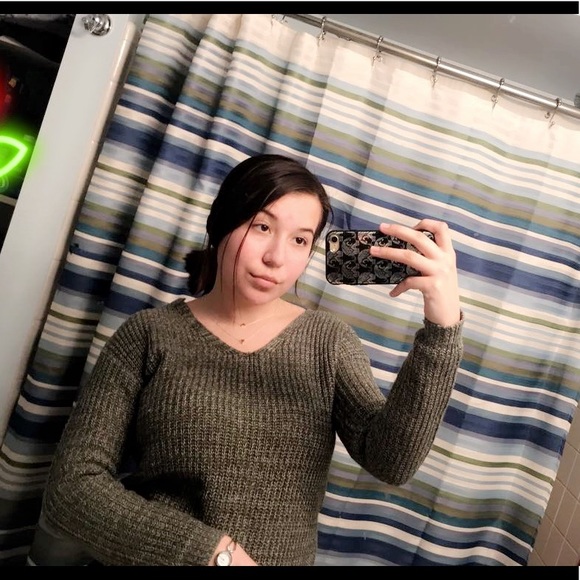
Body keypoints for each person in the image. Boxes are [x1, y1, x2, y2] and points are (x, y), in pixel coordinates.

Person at [41, 153, 464, 566]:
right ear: (222, 225)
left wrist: (441, 327)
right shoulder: (148, 335)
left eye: (299, 240)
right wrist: (213, 555)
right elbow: (72, 490)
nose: (276, 258)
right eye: (262, 226)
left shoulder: (328, 343)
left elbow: (392, 461)